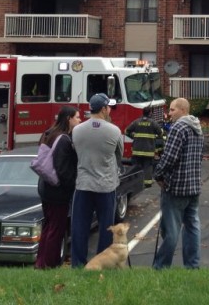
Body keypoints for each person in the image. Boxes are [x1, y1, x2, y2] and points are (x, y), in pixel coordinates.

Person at [70, 93, 123, 268]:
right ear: (103, 109)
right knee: (106, 228)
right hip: (106, 186)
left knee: (80, 227)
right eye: (109, 107)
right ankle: (102, 263)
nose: (110, 110)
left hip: (83, 184)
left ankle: (78, 264)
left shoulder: (77, 130)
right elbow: (119, 154)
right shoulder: (114, 130)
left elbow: (75, 151)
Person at [153, 97, 204, 270]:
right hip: (194, 186)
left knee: (171, 231)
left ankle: (161, 267)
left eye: (172, 109)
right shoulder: (197, 127)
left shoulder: (178, 127)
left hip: (176, 187)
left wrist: (157, 174)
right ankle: (192, 265)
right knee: (192, 227)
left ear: (183, 110)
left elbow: (169, 158)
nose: (169, 113)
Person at [35, 106, 80, 269]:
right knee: (56, 229)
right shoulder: (63, 139)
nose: (80, 120)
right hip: (57, 191)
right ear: (68, 118)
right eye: (77, 117)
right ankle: (49, 263)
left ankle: (41, 262)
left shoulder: (49, 133)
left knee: (48, 226)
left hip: (45, 187)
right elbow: (62, 169)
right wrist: (72, 185)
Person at [125, 106, 165, 188]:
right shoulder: (153, 123)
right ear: (150, 113)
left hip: (137, 150)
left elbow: (126, 131)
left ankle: (135, 183)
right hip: (148, 151)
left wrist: (134, 137)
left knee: (135, 167)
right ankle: (147, 184)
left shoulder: (136, 122)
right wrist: (155, 138)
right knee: (148, 167)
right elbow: (161, 133)